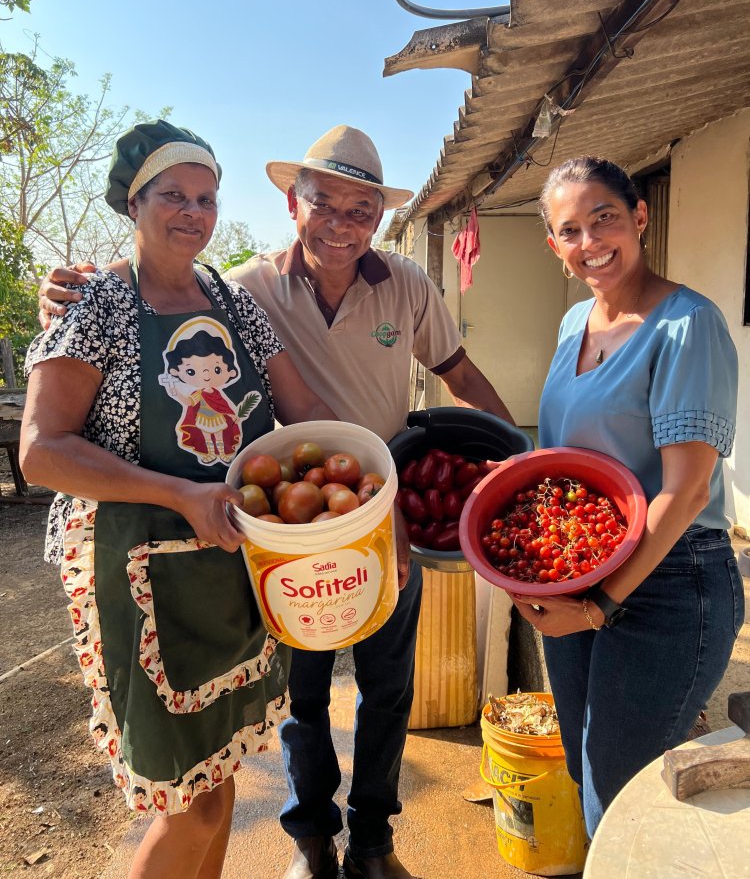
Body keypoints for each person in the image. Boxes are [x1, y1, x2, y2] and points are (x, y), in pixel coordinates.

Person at [38, 124, 514, 879]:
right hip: (281, 535)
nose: (341, 223)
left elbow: (447, 373)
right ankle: (310, 840)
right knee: (302, 696)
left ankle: (374, 842)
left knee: (387, 690)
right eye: (326, 203)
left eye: (362, 210)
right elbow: (142, 305)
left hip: (367, 508)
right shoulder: (246, 285)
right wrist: (68, 291)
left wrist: (514, 451)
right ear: (294, 204)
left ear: (379, 219)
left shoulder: (397, 285)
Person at [22, 119, 338, 879]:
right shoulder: (94, 306)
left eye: (206, 197)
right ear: (133, 202)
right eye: (173, 195)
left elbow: (304, 412)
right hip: (139, 578)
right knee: (186, 803)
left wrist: (358, 489)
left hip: (228, 568)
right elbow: (40, 451)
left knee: (220, 779)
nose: (193, 212)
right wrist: (181, 492)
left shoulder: (232, 300)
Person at [510, 155, 743, 838]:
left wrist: (600, 607)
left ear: (639, 216)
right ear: (554, 245)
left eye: (604, 218)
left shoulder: (686, 325)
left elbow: (689, 487)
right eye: (570, 230)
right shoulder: (571, 325)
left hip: (670, 581)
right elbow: (572, 459)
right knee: (590, 774)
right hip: (585, 569)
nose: (590, 243)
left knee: (621, 791)